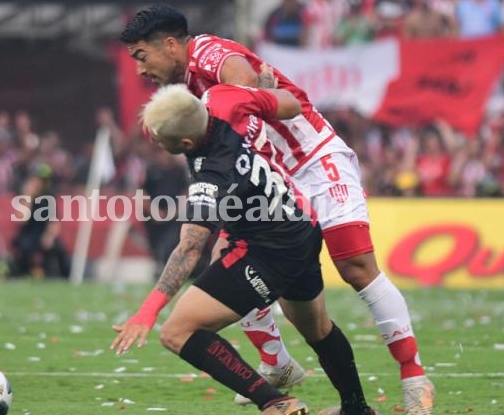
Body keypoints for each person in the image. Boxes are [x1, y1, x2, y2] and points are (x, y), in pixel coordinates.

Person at [120, 5, 434, 413]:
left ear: (169, 45)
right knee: (225, 254)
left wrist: (251, 103)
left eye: (141, 57)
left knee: (355, 266)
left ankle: (413, 376)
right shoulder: (189, 92)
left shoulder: (209, 55)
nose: (141, 70)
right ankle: (277, 364)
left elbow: (250, 90)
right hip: (274, 175)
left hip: (314, 159)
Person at [112, 83, 378, 415]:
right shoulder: (225, 103)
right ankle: (357, 410)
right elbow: (290, 104)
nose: (152, 139)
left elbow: (189, 248)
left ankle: (275, 402)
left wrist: (147, 312)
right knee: (318, 329)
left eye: (157, 136)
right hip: (302, 229)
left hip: (268, 251)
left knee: (178, 332)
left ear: (184, 144)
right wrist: (265, 91)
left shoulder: (210, 174)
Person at [11, 164, 71, 279]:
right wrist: (29, 197)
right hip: (28, 234)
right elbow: (22, 220)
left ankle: (66, 278)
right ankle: (23, 274)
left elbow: (54, 221)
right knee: (25, 247)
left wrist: (50, 236)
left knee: (59, 249)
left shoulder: (49, 198)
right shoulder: (23, 197)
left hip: (43, 233)